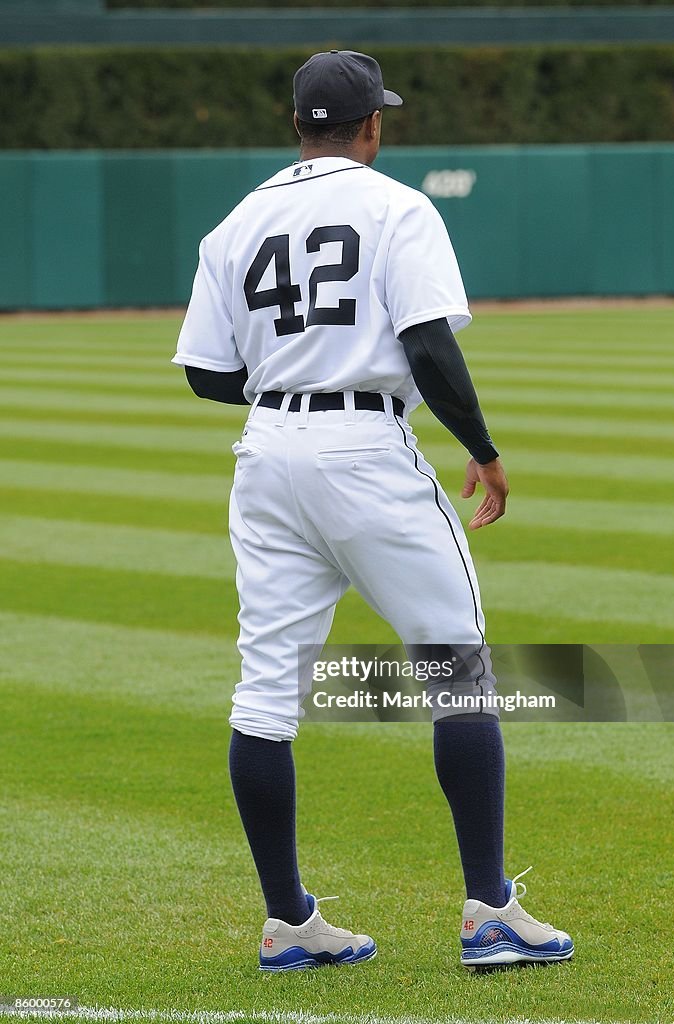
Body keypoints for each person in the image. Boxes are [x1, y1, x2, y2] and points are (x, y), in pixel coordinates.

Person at [172, 49, 573, 972]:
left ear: (298, 126)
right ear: (372, 127)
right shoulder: (398, 206)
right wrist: (483, 448)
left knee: (267, 691)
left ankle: (288, 923)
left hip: (267, 455)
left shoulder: (237, 222)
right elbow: (426, 344)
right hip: (364, 450)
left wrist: (291, 386)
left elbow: (203, 372)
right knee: (457, 665)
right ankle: (491, 913)